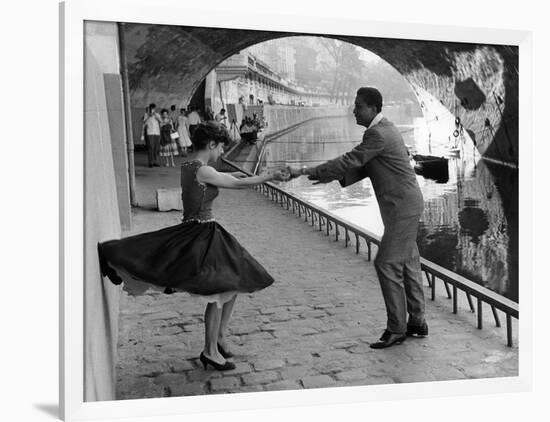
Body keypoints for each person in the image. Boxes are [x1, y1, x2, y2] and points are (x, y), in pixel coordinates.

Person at [98, 122, 289, 371]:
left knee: (234, 283)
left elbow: (232, 177)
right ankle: (210, 351)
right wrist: (270, 176)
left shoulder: (190, 166)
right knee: (218, 291)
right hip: (202, 234)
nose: (222, 152)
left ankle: (219, 338)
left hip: (199, 230)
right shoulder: (203, 170)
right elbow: (237, 185)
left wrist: (254, 174)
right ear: (211, 144)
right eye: (221, 147)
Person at [288, 87, 427, 349]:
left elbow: (351, 159)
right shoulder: (383, 129)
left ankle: (397, 328)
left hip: (401, 208)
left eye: (359, 106)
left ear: (373, 109)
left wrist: (304, 170)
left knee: (386, 263)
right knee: (408, 261)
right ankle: (417, 322)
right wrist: (324, 176)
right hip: (404, 205)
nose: (354, 109)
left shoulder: (378, 133)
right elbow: (363, 166)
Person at [143, 103, 162, 167]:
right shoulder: (146, 114)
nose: (152, 110)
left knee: (156, 148)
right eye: (151, 108)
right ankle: (150, 162)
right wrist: (149, 115)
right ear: (149, 108)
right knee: (151, 147)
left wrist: (156, 116)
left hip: (157, 132)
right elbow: (144, 122)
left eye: (154, 108)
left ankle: (155, 161)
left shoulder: (157, 114)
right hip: (150, 132)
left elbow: (161, 121)